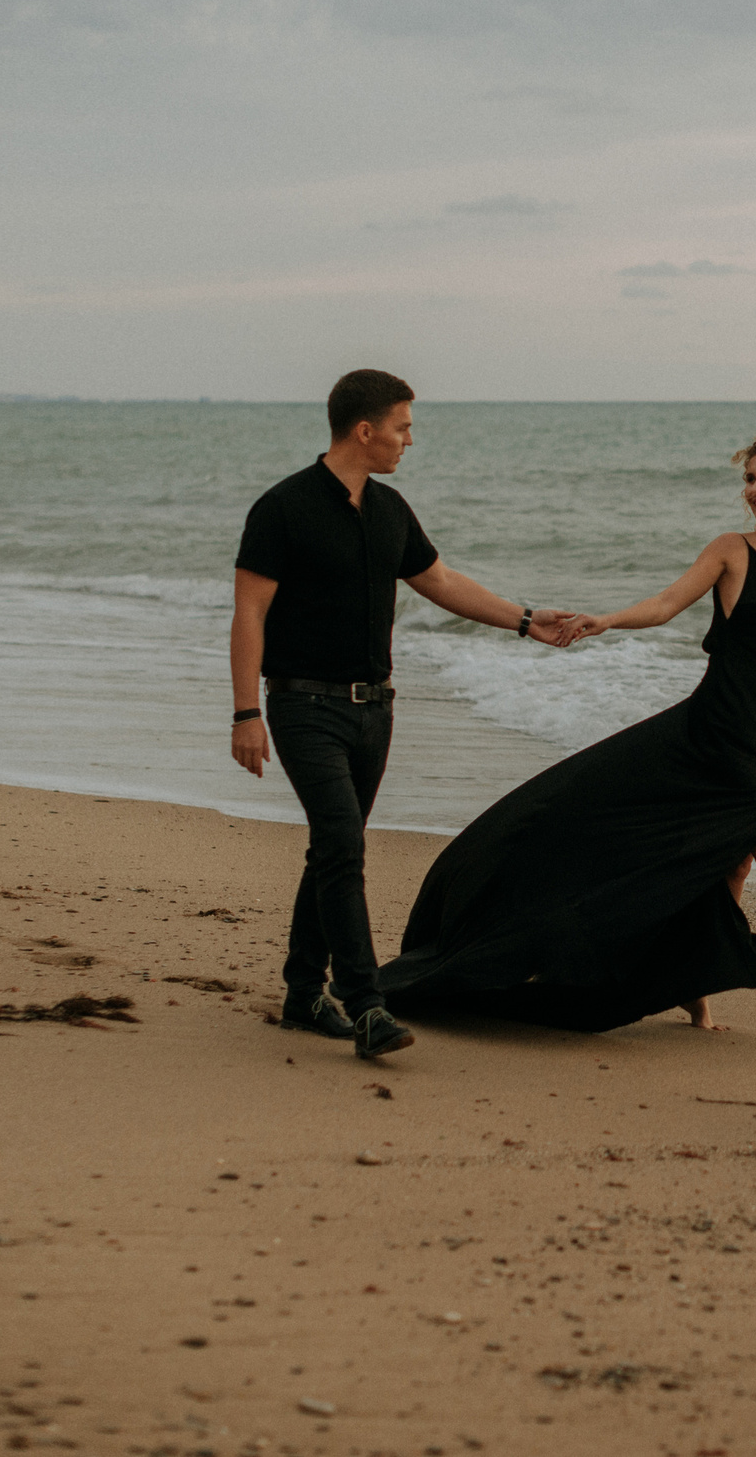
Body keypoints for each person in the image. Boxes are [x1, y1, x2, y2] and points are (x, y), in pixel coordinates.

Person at [376, 430, 756, 1057]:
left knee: (734, 861)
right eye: (748, 480)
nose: (753, 491)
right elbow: (666, 604)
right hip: (715, 733)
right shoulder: (731, 552)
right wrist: (606, 620)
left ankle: (694, 989)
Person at [230, 369, 578, 1061]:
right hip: (302, 705)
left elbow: (440, 580)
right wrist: (246, 712)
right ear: (365, 430)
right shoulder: (283, 508)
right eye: (402, 427)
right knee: (342, 844)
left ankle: (303, 992)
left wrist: (526, 619)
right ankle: (365, 1005)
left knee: (336, 847)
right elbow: (249, 612)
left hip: (374, 710)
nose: (408, 440)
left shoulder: (390, 509)